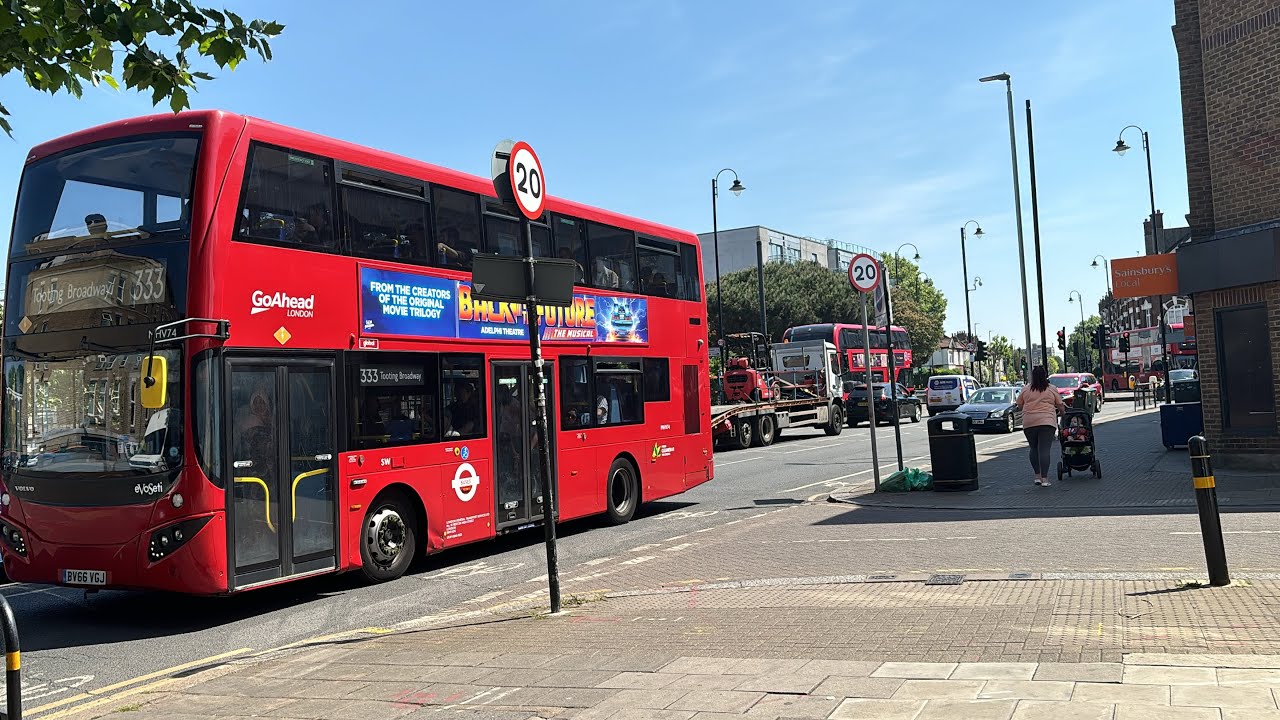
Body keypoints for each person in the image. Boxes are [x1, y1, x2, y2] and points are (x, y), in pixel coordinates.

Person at [1015, 365, 1065, 487]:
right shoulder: (1051, 389)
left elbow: (1019, 404)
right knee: (1044, 450)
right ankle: (1045, 479)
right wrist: (1063, 413)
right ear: (1045, 375)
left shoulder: (1026, 389)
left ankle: (1037, 476)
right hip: (1047, 422)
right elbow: (1060, 404)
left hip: (1029, 422)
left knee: (1033, 448)